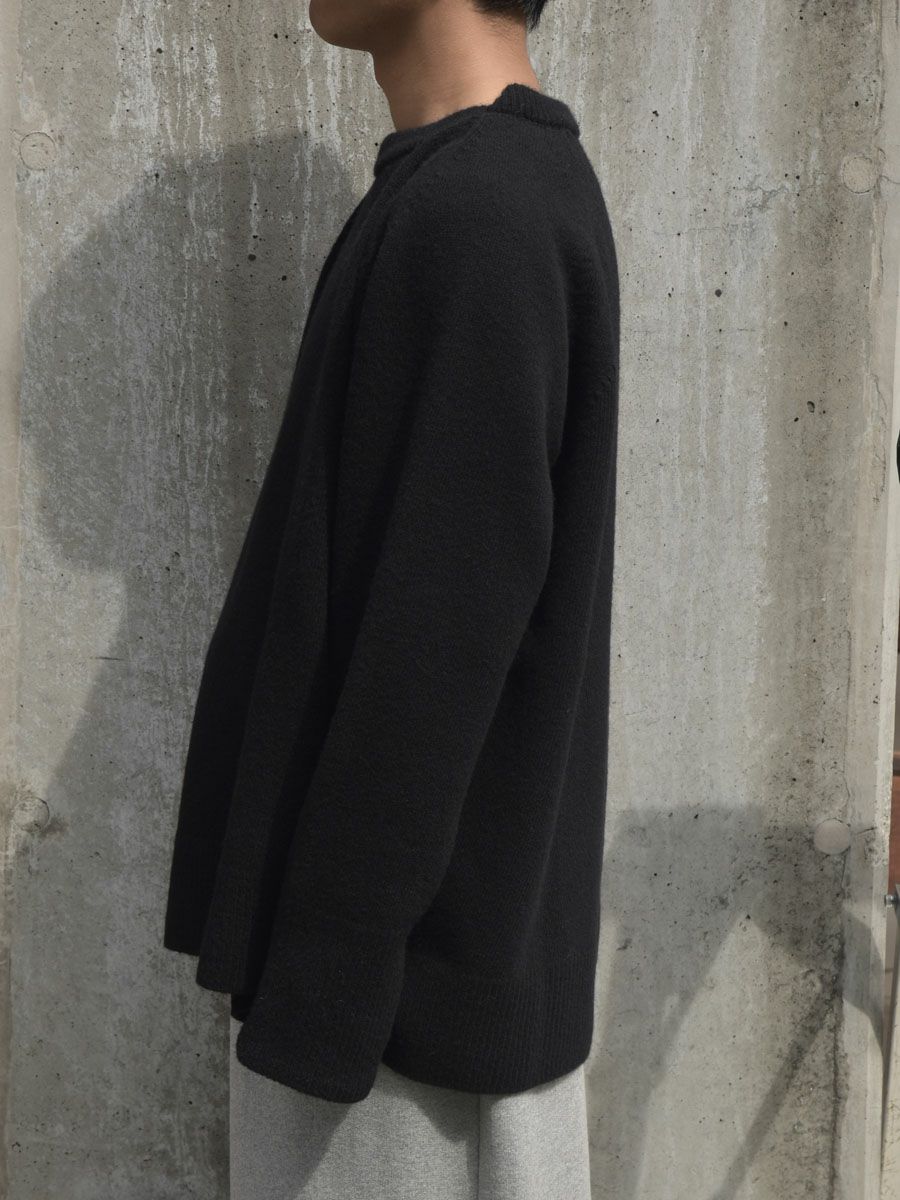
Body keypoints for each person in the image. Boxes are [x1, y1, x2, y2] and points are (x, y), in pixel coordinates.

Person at [162, 0, 620, 1196]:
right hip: (401, 999)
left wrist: (325, 989)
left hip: (399, 1041)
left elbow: (440, 645)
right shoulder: (465, 190)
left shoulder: (480, 213)